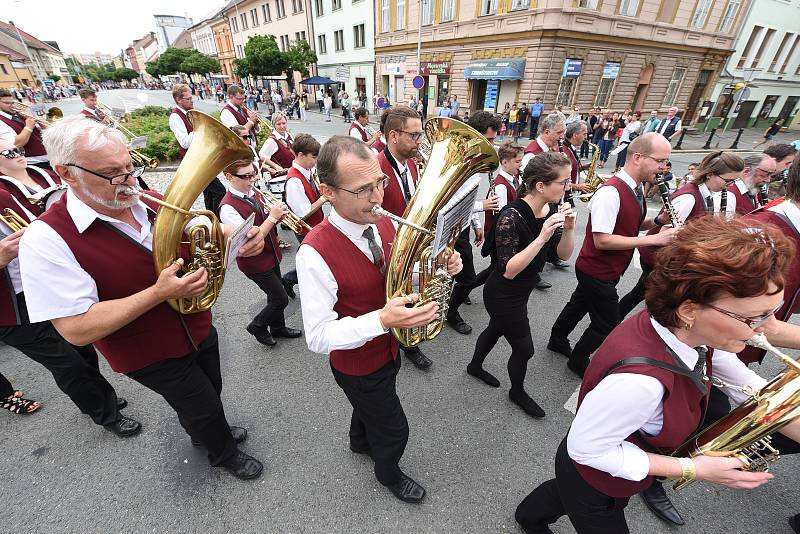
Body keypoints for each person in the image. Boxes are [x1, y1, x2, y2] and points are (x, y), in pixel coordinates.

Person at [516, 215, 800, 534]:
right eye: (754, 317)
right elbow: (587, 449)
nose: (765, 329)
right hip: (596, 465)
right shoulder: (642, 383)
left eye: (770, 313)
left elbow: (745, 384)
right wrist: (692, 468)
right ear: (690, 310)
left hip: (608, 461)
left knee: (566, 493)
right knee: (587, 498)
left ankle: (528, 516)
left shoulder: (687, 330)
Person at [19, 115, 267, 480]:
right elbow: (76, 328)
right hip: (147, 351)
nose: (128, 179)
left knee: (209, 392)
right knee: (200, 404)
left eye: (129, 166)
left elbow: (197, 227)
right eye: (112, 173)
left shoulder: (145, 199)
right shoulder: (45, 239)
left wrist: (237, 236)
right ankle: (222, 453)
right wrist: (158, 293)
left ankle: (207, 432)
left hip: (196, 324)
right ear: (67, 173)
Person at [296, 135, 462, 503]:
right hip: (358, 365)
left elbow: (403, 273)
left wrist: (445, 264)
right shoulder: (313, 254)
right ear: (328, 191)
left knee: (368, 409)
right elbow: (317, 337)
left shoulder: (384, 222)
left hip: (388, 352)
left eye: (380, 183)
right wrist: (382, 321)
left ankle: (359, 441)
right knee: (394, 431)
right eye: (362, 189)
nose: (377, 198)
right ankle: (388, 472)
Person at [0, 186, 137, 432]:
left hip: (42, 286)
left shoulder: (1, 194)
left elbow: (38, 223)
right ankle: (107, 416)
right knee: (67, 364)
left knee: (82, 348)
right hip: (8, 312)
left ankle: (94, 398)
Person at [548, 133, 677, 378]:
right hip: (597, 269)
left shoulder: (636, 187)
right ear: (638, 157)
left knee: (579, 304)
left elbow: (630, 224)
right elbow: (603, 239)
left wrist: (658, 221)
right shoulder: (611, 192)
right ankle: (577, 360)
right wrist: (655, 238)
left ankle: (557, 339)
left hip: (605, 268)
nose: (664, 168)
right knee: (606, 322)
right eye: (660, 160)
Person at [468, 152, 576, 418]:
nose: (567, 187)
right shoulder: (511, 216)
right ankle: (517, 391)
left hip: (522, 289)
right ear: (541, 185)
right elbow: (508, 270)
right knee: (524, 348)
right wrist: (541, 238)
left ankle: (474, 366)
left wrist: (570, 227)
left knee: (495, 328)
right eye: (563, 182)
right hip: (504, 292)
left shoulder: (549, 209)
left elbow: (562, 255)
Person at [619, 151, 743, 321]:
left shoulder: (709, 194)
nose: (729, 186)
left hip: (672, 258)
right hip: (658, 258)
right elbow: (665, 237)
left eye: (734, 181)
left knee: (644, 295)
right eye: (728, 181)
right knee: (648, 296)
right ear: (711, 174)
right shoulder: (688, 198)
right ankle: (615, 324)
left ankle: (615, 322)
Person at [219, 160, 300, 346]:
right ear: (229, 177)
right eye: (246, 176)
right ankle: (257, 325)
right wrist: (272, 217)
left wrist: (278, 216)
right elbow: (249, 239)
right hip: (254, 262)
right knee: (280, 299)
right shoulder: (227, 208)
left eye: (253, 174)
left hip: (271, 253)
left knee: (275, 295)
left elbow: (265, 220)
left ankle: (278, 328)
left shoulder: (253, 192)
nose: (252, 179)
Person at [375, 106, 433, 369]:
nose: (419, 142)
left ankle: (409, 338)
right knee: (396, 295)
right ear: (394, 135)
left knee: (415, 291)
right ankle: (402, 341)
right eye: (415, 135)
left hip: (411, 240)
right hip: (389, 245)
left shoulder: (411, 162)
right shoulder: (375, 166)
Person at [446, 111, 500, 334]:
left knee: (454, 273)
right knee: (467, 279)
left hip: (463, 225)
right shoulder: (459, 159)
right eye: (490, 139)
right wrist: (482, 207)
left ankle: (447, 304)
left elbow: (470, 194)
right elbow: (451, 201)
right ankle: (450, 312)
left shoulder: (477, 160)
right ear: (476, 135)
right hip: (451, 226)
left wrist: (477, 224)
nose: (493, 145)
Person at [169, 84, 226, 214]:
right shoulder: (175, 117)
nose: (192, 100)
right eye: (188, 98)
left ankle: (211, 220)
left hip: (201, 159)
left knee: (209, 192)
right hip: (193, 161)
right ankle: (216, 217)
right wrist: (200, 128)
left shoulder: (189, 113)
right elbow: (184, 142)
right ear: (179, 99)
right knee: (219, 191)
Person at [0, 141, 62, 217]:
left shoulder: (47, 173)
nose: (17, 155)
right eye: (8, 153)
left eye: (18, 150)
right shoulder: (3, 191)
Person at [0, 89, 50, 169]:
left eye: (13, 102)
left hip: (47, 156)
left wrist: (40, 123)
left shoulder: (17, 114)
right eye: (7, 103)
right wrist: (28, 127)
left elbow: (38, 130)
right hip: (34, 162)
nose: (12, 105)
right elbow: (16, 144)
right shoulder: (1, 121)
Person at [220, 85, 260, 150]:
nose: (242, 101)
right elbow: (237, 133)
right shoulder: (226, 112)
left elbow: (257, 131)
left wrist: (256, 122)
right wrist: (251, 121)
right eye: (239, 99)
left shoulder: (242, 108)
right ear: (231, 97)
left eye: (243, 98)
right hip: (242, 149)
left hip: (252, 148)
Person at [258, 112, 295, 177]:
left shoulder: (289, 135)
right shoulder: (271, 141)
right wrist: (276, 166)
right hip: (282, 177)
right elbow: (262, 156)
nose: (282, 126)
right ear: (274, 125)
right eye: (278, 124)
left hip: (292, 173)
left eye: (284, 123)